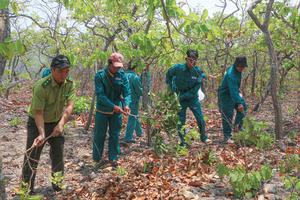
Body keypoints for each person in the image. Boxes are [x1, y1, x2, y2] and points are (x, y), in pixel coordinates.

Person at [21, 55, 75, 193]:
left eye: (66, 71)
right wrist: (41, 134)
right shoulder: (41, 86)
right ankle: (26, 189)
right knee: (32, 155)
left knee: (58, 153)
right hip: (37, 123)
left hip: (57, 121)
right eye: (60, 71)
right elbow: (38, 113)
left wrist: (61, 124)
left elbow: (69, 106)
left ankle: (57, 185)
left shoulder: (69, 84)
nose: (64, 74)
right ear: (52, 70)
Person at [93, 52, 131, 168]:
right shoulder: (100, 76)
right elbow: (100, 95)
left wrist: (127, 104)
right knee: (100, 135)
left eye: (119, 66)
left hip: (117, 111)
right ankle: (97, 159)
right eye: (115, 66)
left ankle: (113, 158)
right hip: (103, 111)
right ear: (109, 63)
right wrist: (112, 106)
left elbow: (127, 92)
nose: (117, 68)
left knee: (115, 134)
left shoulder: (122, 75)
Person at [166, 49, 211, 146]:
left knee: (200, 119)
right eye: (189, 60)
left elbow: (196, 88)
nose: (191, 62)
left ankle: (203, 137)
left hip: (192, 98)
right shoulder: (178, 68)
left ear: (196, 61)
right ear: (186, 59)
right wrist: (171, 89)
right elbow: (168, 75)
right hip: (179, 97)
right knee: (180, 121)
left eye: (193, 60)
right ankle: (183, 142)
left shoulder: (198, 72)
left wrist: (202, 78)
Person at [218, 56, 248, 144]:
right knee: (228, 114)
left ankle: (237, 128)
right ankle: (227, 137)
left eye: (243, 67)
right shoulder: (231, 74)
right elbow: (233, 91)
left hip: (234, 92)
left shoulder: (238, 71)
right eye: (240, 67)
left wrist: (240, 100)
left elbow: (235, 87)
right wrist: (239, 103)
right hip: (225, 95)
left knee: (244, 107)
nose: (242, 68)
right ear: (236, 65)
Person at [124, 60, 143, 143]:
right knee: (132, 117)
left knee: (135, 115)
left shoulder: (123, 75)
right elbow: (139, 91)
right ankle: (128, 137)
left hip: (123, 100)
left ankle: (139, 132)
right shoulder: (135, 77)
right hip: (133, 100)